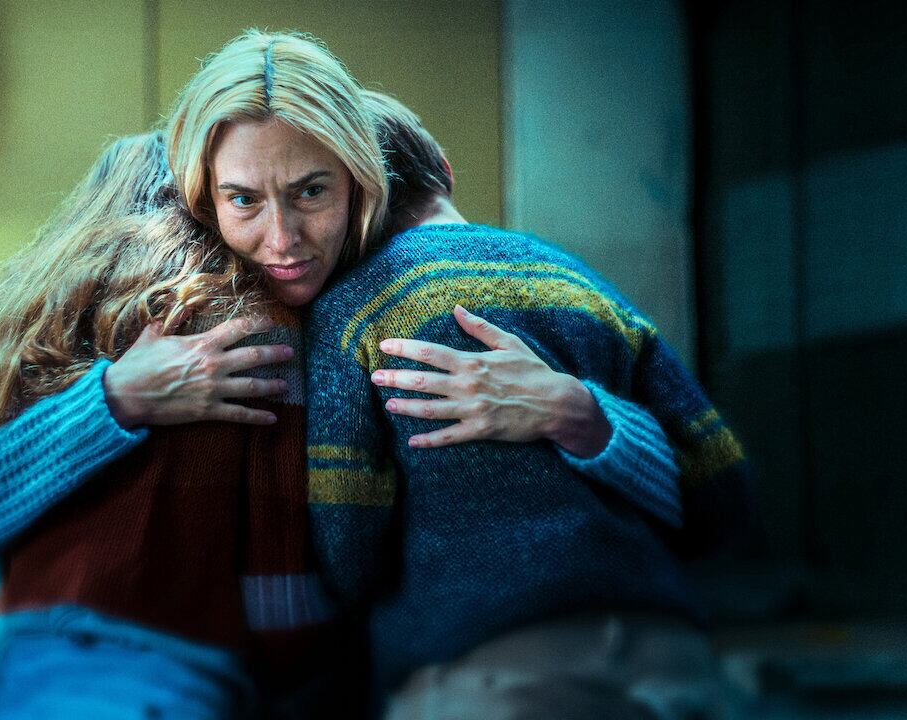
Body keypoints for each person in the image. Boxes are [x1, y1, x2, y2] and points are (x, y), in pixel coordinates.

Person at [0, 30, 684, 718]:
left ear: (360, 182)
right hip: (96, 673)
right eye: (243, 200)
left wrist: (578, 414)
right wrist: (114, 399)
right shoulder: (139, 308)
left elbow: (697, 487)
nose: (282, 238)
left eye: (311, 192)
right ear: (201, 192)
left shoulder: (376, 309)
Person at [305, 91, 752, 718]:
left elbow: (347, 548)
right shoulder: (582, 282)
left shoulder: (351, 313)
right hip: (675, 658)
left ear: (351, 202)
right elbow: (723, 493)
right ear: (444, 168)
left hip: (490, 674)